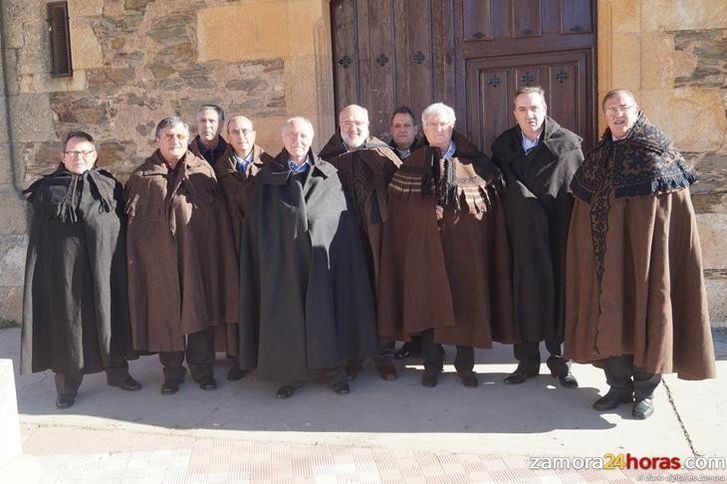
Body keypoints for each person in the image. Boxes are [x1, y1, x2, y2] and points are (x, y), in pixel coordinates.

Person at [565, 89, 716, 419]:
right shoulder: (599, 157)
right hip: (607, 260)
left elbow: (674, 214)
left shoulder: (658, 153)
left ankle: (644, 392)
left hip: (647, 259)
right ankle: (618, 386)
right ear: (604, 117)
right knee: (611, 315)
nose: (618, 114)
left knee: (649, 310)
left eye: (623, 107)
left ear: (638, 110)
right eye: (610, 110)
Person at [378, 102, 517, 388]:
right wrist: (425, 212)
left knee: (466, 300)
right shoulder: (412, 162)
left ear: (451, 126)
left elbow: (488, 211)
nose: (436, 130)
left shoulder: (475, 163)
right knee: (429, 303)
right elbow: (400, 211)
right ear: (423, 130)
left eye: (441, 124)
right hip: (425, 250)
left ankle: (465, 366)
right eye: (430, 125)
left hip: (465, 250)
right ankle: (432, 364)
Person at [238, 117, 378, 399]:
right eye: (291, 135)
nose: (297, 141)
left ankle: (334, 371)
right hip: (284, 262)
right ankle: (292, 374)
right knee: (288, 316)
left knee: (327, 312)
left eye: (302, 135)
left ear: (312, 138)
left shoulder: (329, 173)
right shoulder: (268, 177)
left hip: (324, 260)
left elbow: (339, 219)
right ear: (283, 139)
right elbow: (260, 225)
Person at [21, 131, 140, 409]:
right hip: (66, 273)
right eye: (73, 153)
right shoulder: (47, 190)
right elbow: (41, 240)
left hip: (106, 267)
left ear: (95, 155)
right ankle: (67, 385)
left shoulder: (110, 185)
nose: (79, 158)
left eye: (85, 152)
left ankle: (117, 373)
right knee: (69, 326)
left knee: (111, 317)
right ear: (63, 157)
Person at [125, 117, 239, 395]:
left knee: (198, 308)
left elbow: (217, 219)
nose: (174, 141)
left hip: (197, 255)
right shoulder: (143, 177)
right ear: (157, 140)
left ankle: (202, 370)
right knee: (165, 315)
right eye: (168, 136)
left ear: (186, 139)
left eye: (179, 136)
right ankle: (172, 373)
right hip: (158, 260)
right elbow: (134, 228)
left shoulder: (203, 171)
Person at [491, 87, 582, 388]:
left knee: (558, 295)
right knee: (524, 294)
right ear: (514, 112)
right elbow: (499, 186)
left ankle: (560, 363)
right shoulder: (503, 146)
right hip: (520, 235)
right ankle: (527, 361)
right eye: (522, 109)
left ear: (545, 107)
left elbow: (576, 189)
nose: (529, 115)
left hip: (557, 232)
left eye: (534, 108)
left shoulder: (568, 144)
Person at [318, 104, 402, 381]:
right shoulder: (327, 158)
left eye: (357, 123)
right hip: (341, 238)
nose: (352, 128)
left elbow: (402, 193)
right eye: (346, 123)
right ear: (339, 125)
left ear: (368, 123)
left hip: (378, 235)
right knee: (349, 292)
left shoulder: (385, 155)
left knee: (381, 290)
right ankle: (352, 355)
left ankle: (384, 356)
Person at [213, 114, 272, 381]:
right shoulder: (217, 170)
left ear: (255, 133)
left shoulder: (270, 165)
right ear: (228, 137)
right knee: (237, 298)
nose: (241, 136)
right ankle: (239, 357)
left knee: (264, 297)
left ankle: (266, 352)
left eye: (246, 130)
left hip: (262, 244)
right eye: (235, 132)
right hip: (231, 242)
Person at [387, 106, 424, 360]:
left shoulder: (427, 154)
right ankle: (409, 341)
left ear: (416, 129)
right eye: (397, 126)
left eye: (407, 125)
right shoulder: (381, 155)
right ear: (391, 130)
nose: (402, 130)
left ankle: (430, 342)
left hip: (424, 232)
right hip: (395, 232)